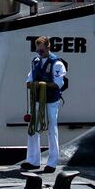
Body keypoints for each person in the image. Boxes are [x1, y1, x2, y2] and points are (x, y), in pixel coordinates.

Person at [24, 35, 68, 172]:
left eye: (41, 50)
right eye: (37, 50)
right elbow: (29, 78)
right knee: (32, 129)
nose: (39, 53)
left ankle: (52, 162)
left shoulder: (57, 63)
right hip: (37, 100)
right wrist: (31, 83)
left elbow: (58, 83)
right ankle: (33, 160)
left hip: (51, 101)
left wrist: (43, 85)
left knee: (51, 130)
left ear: (48, 48)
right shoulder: (36, 61)